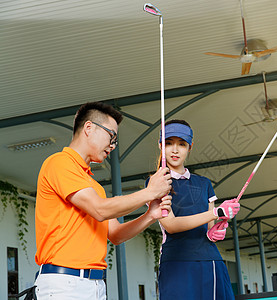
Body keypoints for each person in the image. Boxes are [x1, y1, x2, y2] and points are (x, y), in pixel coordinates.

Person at [34, 102, 173, 300]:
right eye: (111, 136)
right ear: (89, 128)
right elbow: (100, 210)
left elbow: (115, 234)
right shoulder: (59, 163)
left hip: (95, 285)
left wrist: (150, 215)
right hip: (64, 285)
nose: (113, 145)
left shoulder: (94, 187)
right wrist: (150, 192)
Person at [150, 119, 240, 300]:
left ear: (190, 147)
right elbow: (171, 225)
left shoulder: (204, 184)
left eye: (182, 144)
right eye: (169, 143)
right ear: (160, 145)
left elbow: (208, 228)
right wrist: (216, 213)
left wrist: (217, 229)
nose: (175, 150)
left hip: (210, 262)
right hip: (176, 263)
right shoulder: (156, 183)